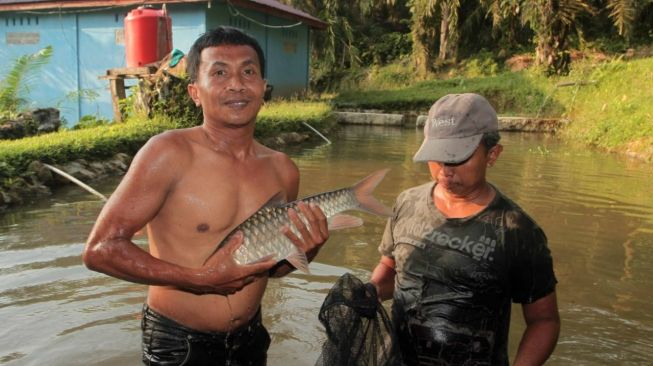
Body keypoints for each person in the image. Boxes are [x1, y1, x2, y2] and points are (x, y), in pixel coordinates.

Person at [82, 26, 329, 365]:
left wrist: (309, 248)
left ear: (262, 86)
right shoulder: (168, 153)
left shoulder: (283, 169)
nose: (236, 84)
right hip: (177, 342)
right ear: (195, 92)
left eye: (248, 71)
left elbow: (272, 269)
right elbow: (100, 250)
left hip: (249, 339)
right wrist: (200, 280)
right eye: (219, 72)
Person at [369, 93, 560, 365]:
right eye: (436, 157)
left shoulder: (517, 230)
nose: (444, 170)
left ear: (492, 154)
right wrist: (370, 291)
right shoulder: (407, 203)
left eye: (456, 157)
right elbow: (390, 270)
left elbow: (544, 320)